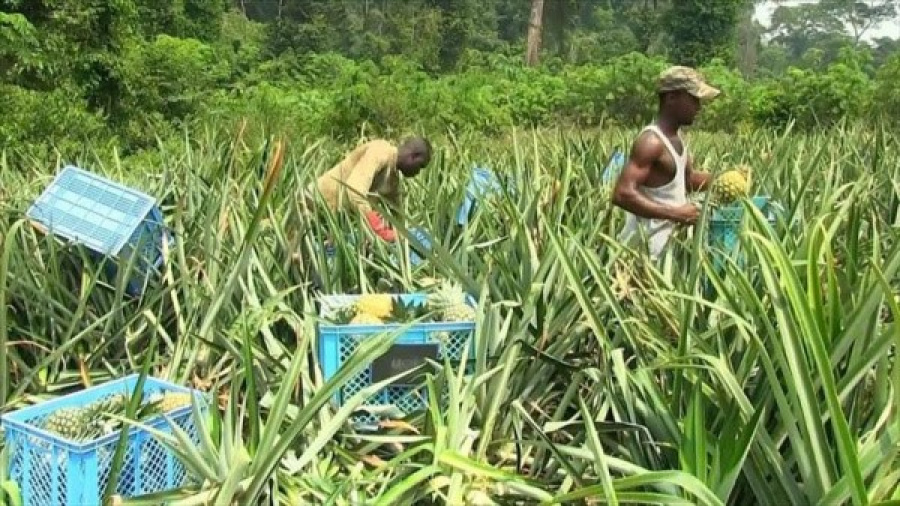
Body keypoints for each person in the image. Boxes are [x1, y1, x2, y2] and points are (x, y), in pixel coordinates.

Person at [612, 66, 720, 261]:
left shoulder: (677, 138)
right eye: (693, 99)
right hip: (642, 255)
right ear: (671, 98)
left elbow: (686, 181)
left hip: (664, 253)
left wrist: (724, 179)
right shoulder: (651, 142)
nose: (698, 107)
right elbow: (622, 194)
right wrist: (676, 214)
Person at [310, 136, 432, 241]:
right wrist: (376, 226)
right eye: (420, 166)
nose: (417, 172)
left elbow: (396, 210)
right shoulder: (380, 151)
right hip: (313, 205)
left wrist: (403, 233)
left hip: (330, 220)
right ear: (413, 156)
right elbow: (354, 190)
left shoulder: (392, 177)